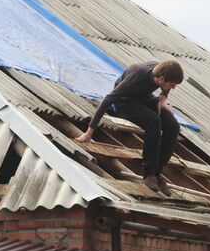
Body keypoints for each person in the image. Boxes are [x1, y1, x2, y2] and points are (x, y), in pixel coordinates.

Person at [75, 60, 184, 197]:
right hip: (125, 102)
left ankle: (157, 172)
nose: (173, 88)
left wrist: (162, 99)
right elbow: (108, 99)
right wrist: (89, 131)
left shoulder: (162, 70)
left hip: (143, 98)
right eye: (173, 85)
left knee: (173, 126)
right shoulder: (137, 76)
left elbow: (166, 87)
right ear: (161, 79)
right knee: (154, 121)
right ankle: (148, 173)